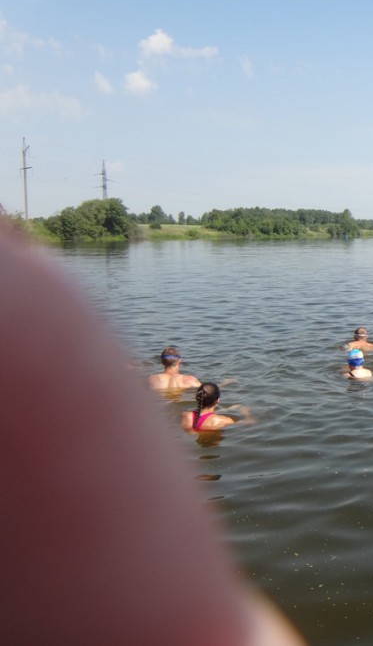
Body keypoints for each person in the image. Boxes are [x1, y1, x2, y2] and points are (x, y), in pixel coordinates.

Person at [0, 223, 306, 645]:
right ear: (180, 363)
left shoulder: (154, 387)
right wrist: (239, 406)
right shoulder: (195, 388)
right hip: (210, 433)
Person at [180, 382, 248, 432]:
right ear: (217, 401)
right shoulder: (223, 421)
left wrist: (226, 410)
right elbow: (250, 422)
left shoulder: (185, 415)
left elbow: (201, 417)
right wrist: (246, 412)